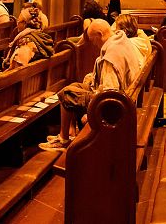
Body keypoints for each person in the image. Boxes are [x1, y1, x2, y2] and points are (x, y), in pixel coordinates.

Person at [40, 19, 143, 151]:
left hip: (115, 103)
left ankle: (63, 140)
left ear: (100, 34)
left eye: (93, 39)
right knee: (75, 86)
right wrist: (92, 78)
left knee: (67, 93)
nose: (93, 44)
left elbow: (109, 91)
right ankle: (69, 132)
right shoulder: (120, 40)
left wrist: (90, 114)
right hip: (125, 96)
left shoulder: (112, 55)